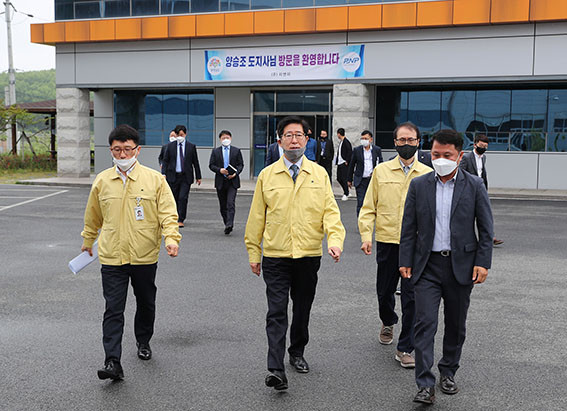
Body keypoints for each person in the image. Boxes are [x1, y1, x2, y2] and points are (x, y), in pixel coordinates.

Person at [244, 115, 345, 391]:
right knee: (276, 311)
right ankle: (276, 369)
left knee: (302, 309)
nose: (294, 140)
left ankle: (297, 351)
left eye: (299, 135)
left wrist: (335, 240)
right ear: (279, 141)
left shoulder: (319, 174)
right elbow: (256, 218)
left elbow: (330, 213)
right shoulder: (267, 175)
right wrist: (254, 252)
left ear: (307, 139)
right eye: (288, 135)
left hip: (308, 255)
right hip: (275, 255)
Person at [399, 129, 493, 405]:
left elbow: (486, 229)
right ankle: (425, 384)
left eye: (447, 155)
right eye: (436, 154)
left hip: (460, 265)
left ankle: (448, 371)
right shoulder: (419, 185)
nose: (440, 159)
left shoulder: (474, 185)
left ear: (459, 156)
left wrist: (483, 262)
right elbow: (409, 227)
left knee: (455, 324)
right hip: (426, 266)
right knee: (424, 324)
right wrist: (405, 260)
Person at [80, 124, 181, 381]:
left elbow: (168, 214)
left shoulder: (155, 180)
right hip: (112, 256)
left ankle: (143, 340)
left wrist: (171, 238)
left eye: (127, 149)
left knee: (146, 302)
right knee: (113, 308)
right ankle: (112, 361)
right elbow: (93, 216)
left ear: (138, 150)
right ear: (110, 150)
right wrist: (88, 240)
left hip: (144, 255)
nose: (122, 155)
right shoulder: (102, 181)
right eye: (117, 150)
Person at [358, 123, 431, 370]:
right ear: (395, 142)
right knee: (384, 291)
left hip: (416, 246)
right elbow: (369, 207)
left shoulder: (427, 174)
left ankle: (405, 347)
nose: (406, 144)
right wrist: (366, 236)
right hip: (387, 241)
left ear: (418, 142)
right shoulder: (381, 171)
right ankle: (388, 320)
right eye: (402, 140)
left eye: (411, 140)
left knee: (412, 297)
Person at [459, 134, 504, 246]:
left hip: (480, 190)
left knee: (485, 214)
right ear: (475, 145)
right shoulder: (466, 157)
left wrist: (484, 188)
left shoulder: (483, 158)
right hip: (468, 191)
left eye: (485, 147)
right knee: (467, 216)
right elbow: (461, 173)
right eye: (481, 146)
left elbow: (482, 173)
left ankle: (490, 237)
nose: (483, 148)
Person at [161, 125, 202, 228]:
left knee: (183, 197)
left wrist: (198, 176)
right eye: (178, 135)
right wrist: (163, 173)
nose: (180, 137)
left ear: (185, 134)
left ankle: (181, 219)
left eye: (182, 135)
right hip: (173, 176)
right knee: (173, 198)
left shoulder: (191, 147)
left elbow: (195, 162)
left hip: (185, 177)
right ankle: (173, 217)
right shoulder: (170, 146)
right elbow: (165, 161)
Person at [209, 130, 244, 235]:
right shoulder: (215, 151)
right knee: (223, 205)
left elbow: (240, 164)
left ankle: (230, 223)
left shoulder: (236, 151)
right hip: (221, 181)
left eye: (227, 138)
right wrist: (219, 170)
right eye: (223, 138)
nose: (225, 140)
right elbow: (211, 165)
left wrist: (236, 173)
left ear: (231, 138)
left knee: (230, 203)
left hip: (232, 181)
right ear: (220, 139)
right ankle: (226, 223)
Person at [348, 130, 383, 215]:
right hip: (360, 180)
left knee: (373, 202)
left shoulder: (377, 150)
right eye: (362, 138)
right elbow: (352, 165)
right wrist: (349, 179)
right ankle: (361, 220)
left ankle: (370, 219)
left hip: (372, 180)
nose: (364, 140)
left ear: (371, 139)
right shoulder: (357, 150)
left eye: (366, 138)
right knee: (361, 202)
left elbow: (381, 163)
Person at [334, 128, 353, 201]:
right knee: (339, 178)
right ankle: (346, 191)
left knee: (344, 178)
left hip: (344, 162)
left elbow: (349, 151)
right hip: (339, 162)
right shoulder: (341, 142)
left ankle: (346, 193)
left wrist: (347, 160)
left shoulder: (346, 142)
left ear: (339, 134)